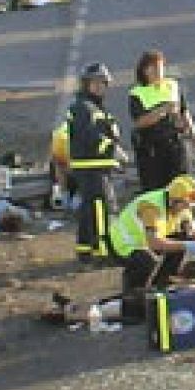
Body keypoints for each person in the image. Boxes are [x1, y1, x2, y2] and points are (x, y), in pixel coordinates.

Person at [109, 175, 195, 320]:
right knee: (146, 260)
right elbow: (154, 243)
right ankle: (133, 301)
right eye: (185, 205)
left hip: (146, 241)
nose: (187, 209)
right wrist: (187, 245)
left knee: (183, 238)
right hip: (125, 244)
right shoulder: (151, 208)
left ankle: (163, 284)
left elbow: (194, 230)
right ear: (174, 201)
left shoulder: (180, 204)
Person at [67, 62, 124, 263]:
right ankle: (102, 249)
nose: (100, 87)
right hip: (90, 166)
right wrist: (112, 149)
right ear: (86, 84)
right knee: (101, 207)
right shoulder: (83, 107)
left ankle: (86, 248)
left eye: (103, 83)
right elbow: (89, 136)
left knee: (92, 208)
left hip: (97, 166)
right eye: (95, 83)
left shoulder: (94, 107)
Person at [128, 49, 193, 192]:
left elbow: (184, 111)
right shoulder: (137, 93)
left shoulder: (172, 85)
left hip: (175, 144)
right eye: (154, 67)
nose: (158, 71)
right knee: (155, 189)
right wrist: (163, 110)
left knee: (181, 186)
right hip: (152, 149)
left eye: (160, 67)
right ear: (144, 70)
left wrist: (193, 137)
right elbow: (140, 121)